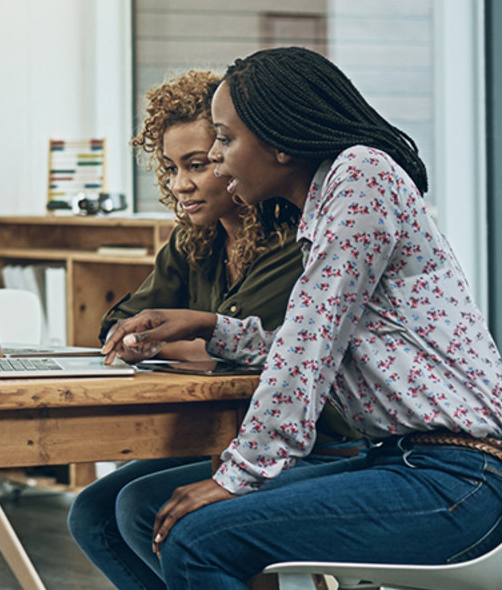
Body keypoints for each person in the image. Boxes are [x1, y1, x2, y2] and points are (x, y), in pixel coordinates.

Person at [102, 46, 502, 589]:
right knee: (149, 508)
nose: (216, 157)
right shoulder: (330, 199)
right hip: (408, 462)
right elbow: (313, 338)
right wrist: (211, 328)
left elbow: (308, 349)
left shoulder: (361, 176)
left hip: (468, 477)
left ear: (279, 142)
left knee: (198, 536)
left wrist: (238, 476)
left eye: (225, 138)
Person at [70, 70, 362, 590]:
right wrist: (147, 338)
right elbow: (120, 321)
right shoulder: (193, 243)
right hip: (224, 434)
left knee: (141, 503)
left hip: (314, 441)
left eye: (198, 164)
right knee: (91, 511)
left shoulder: (292, 241)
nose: (181, 184)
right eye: (171, 168)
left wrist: (178, 335)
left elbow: (236, 341)